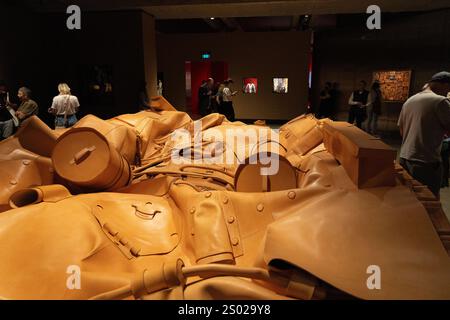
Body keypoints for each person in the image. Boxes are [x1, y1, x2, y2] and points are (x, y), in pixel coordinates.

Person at [398, 71, 450, 198]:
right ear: (443, 85)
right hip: (425, 162)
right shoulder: (440, 101)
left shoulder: (410, 100)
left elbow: (401, 128)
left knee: (410, 201)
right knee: (429, 202)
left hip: (405, 158)